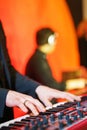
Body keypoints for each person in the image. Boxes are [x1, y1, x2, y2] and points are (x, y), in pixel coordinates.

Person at [0, 21, 80, 123]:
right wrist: (3, 95)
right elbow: (54, 84)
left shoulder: (40, 58)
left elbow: (7, 73)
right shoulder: (38, 60)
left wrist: (38, 88)